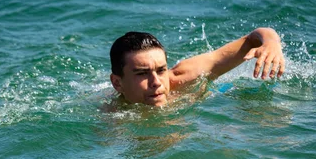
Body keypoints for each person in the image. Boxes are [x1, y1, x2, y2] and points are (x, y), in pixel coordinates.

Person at [110, 28, 285, 107]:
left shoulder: (185, 78)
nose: (156, 82)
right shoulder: (109, 116)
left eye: (161, 70)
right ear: (117, 83)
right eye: (142, 73)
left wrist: (271, 42)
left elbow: (252, 39)